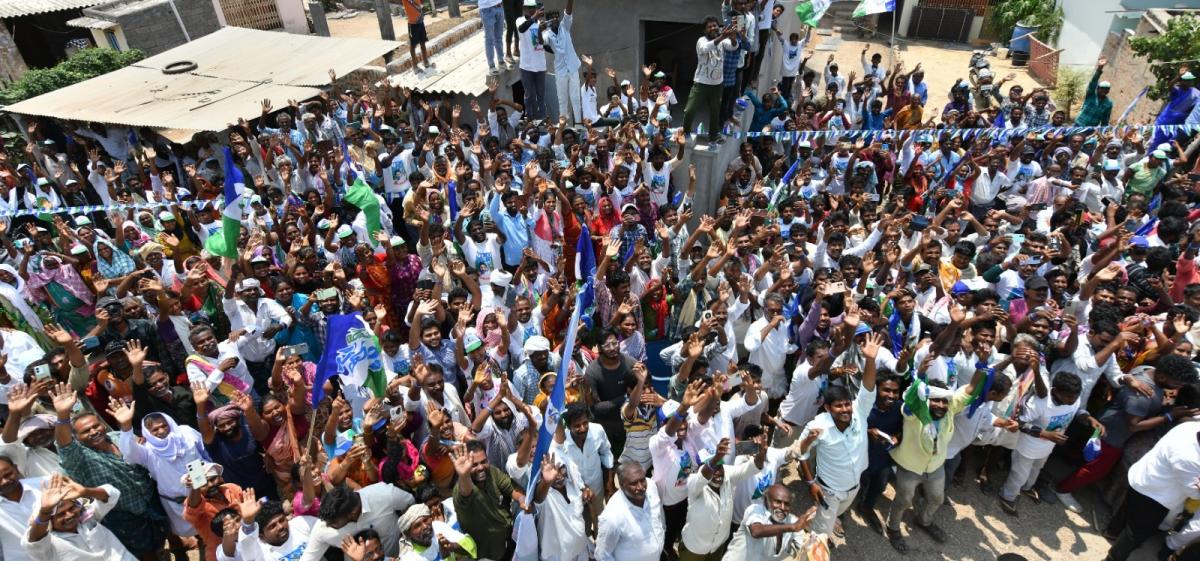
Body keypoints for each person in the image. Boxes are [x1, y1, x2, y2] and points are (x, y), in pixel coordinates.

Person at [449, 440, 530, 561]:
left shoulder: (491, 472)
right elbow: (466, 492)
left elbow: (510, 488)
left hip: (508, 542)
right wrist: (464, 475)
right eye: (474, 465)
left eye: (484, 461)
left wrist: (522, 499)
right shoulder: (461, 490)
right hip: (487, 554)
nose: (481, 467)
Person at [23, 473, 132, 561]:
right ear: (49, 520)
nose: (69, 515)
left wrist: (86, 491)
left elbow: (113, 494)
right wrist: (45, 512)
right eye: (61, 514)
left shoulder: (87, 518)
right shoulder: (48, 545)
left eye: (71, 508)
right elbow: (34, 543)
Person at [594, 461, 665, 561]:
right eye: (633, 483)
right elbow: (602, 555)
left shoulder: (651, 486)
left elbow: (659, 515)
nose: (640, 487)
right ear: (622, 485)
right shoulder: (612, 517)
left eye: (642, 480)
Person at [683, 16, 738, 143]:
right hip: (701, 83)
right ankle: (686, 132)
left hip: (717, 85)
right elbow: (705, 48)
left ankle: (714, 136)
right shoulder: (701, 40)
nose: (713, 28)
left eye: (715, 25)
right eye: (710, 26)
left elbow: (733, 47)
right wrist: (722, 37)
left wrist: (734, 38)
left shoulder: (722, 41)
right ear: (705, 30)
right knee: (690, 110)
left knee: (715, 112)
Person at [516, 0, 548, 119]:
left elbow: (541, 42)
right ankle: (528, 117)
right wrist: (534, 17)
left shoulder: (541, 22)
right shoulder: (520, 20)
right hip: (526, 66)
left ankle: (543, 118)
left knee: (541, 95)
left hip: (540, 66)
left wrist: (540, 29)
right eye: (528, 7)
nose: (531, 9)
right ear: (524, 8)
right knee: (529, 94)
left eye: (533, 7)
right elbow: (522, 29)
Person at [400, 0, 433, 73]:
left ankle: (425, 61)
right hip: (413, 24)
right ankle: (415, 66)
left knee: (423, 42)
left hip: (421, 22)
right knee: (413, 45)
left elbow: (422, 3)